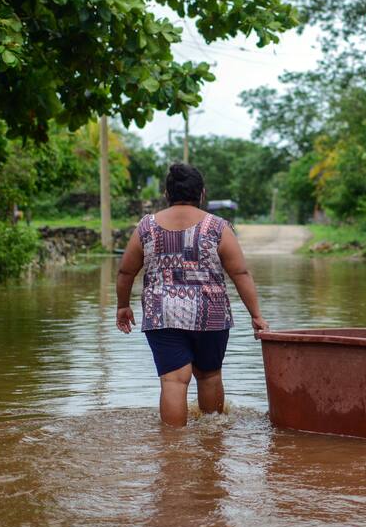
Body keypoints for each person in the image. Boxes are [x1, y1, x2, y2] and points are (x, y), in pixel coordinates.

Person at [115, 163, 269, 427]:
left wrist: (122, 306)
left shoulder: (146, 227)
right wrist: (256, 315)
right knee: (209, 377)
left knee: (173, 380)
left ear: (166, 193)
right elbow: (240, 273)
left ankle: (173, 447)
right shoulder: (218, 227)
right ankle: (212, 437)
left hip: (162, 313)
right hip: (210, 313)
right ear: (203, 193)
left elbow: (125, 272)